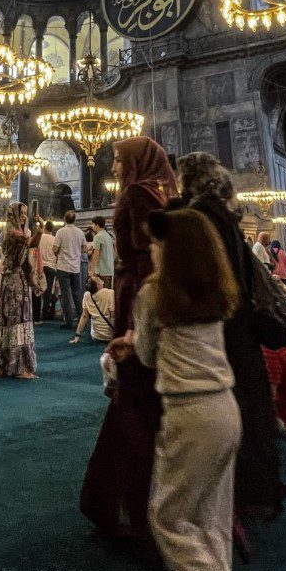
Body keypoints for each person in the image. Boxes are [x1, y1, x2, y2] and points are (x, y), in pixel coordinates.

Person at [167, 152, 286, 522]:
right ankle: (256, 485)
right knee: (250, 399)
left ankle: (245, 490)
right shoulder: (224, 214)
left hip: (226, 323)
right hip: (241, 320)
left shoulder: (203, 215)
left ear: (190, 179)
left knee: (238, 400)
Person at [132, 208, 241, 571]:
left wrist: (134, 340)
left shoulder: (154, 292)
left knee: (171, 519)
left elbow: (146, 355)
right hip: (226, 408)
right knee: (211, 518)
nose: (152, 249)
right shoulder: (214, 291)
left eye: (156, 242)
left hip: (189, 413)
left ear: (171, 248)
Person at [80, 136, 177, 547]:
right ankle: (109, 503)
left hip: (138, 301)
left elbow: (150, 257)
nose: (114, 168)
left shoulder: (138, 194)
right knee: (134, 403)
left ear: (137, 162)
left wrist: (139, 324)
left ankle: (134, 513)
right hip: (139, 298)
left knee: (134, 402)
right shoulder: (157, 193)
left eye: (119, 160)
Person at [0, 202, 37, 378]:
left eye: (25, 213)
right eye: (21, 213)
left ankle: (4, 365)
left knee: (13, 321)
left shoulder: (14, 231)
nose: (24, 216)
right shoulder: (12, 232)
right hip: (14, 281)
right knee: (16, 320)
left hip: (16, 279)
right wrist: (40, 228)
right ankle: (18, 367)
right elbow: (30, 242)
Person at [54, 211, 87, 331]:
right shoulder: (80, 232)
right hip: (76, 268)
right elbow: (85, 249)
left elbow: (55, 249)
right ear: (75, 220)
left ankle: (68, 322)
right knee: (77, 294)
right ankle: (81, 320)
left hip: (63, 267)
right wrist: (75, 252)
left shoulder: (60, 232)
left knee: (66, 295)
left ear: (64, 219)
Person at [71, 276, 115, 344]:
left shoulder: (86, 295)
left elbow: (84, 317)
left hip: (96, 336)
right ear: (98, 285)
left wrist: (77, 335)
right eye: (97, 278)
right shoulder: (110, 293)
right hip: (111, 336)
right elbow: (113, 316)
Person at [36, 219, 58, 322]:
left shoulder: (39, 237)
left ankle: (36, 313)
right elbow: (57, 253)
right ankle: (45, 313)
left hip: (39, 266)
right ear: (52, 229)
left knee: (38, 289)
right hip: (51, 266)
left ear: (44, 228)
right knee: (48, 292)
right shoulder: (55, 239)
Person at [91, 216, 115, 289]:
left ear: (97, 225)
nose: (92, 226)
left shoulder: (98, 237)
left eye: (93, 224)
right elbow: (113, 252)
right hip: (109, 269)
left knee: (101, 293)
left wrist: (92, 269)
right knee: (108, 293)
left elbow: (96, 254)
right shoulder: (108, 236)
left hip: (101, 270)